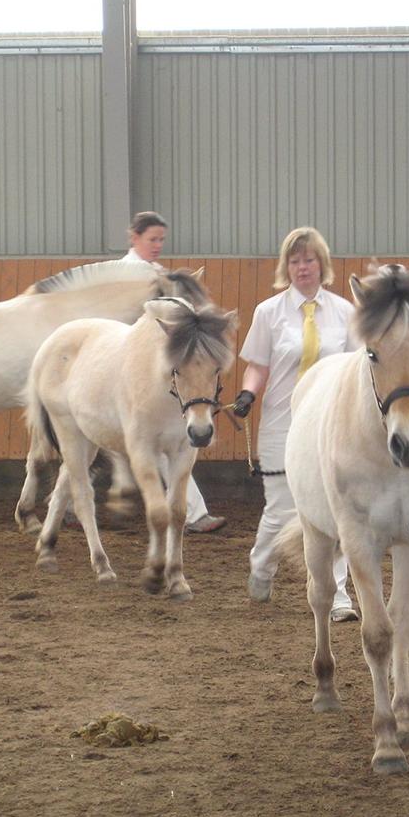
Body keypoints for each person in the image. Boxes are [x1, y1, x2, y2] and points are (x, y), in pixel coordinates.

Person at [232, 227, 359, 621]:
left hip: (330, 426)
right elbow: (258, 364)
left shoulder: (346, 313)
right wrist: (248, 394)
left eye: (309, 260)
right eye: (295, 260)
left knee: (335, 513)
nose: (302, 267)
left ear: (323, 265)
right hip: (283, 423)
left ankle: (337, 594)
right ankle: (262, 565)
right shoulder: (269, 313)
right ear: (286, 267)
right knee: (282, 508)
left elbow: (356, 368)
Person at [121, 211, 226, 535]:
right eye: (152, 239)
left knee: (172, 441)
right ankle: (192, 512)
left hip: (159, 370)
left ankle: (193, 512)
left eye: (161, 240)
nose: (157, 245)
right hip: (131, 363)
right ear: (134, 237)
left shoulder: (160, 274)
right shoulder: (127, 274)